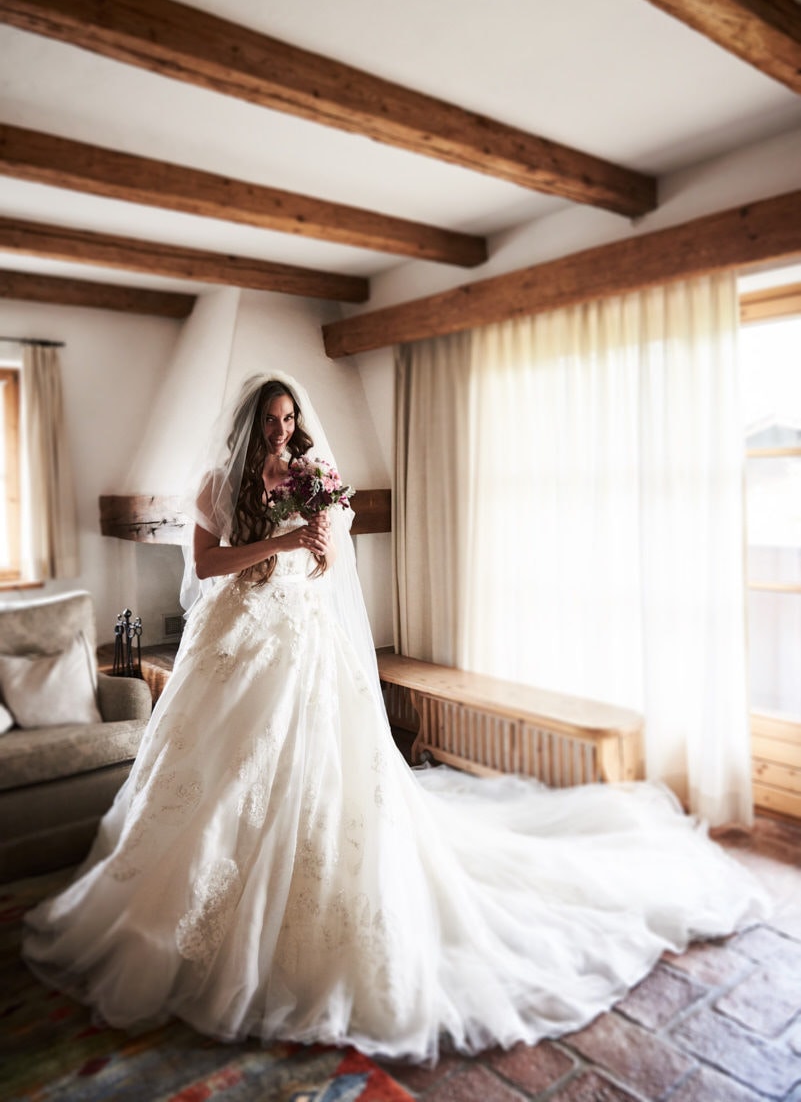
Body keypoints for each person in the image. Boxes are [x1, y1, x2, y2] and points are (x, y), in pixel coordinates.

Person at [24, 371, 769, 1064]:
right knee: (212, 778)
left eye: (289, 419)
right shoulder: (217, 482)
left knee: (318, 772)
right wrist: (282, 539)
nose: (283, 432)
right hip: (233, 640)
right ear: (249, 423)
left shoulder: (313, 476)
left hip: (300, 639)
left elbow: (326, 568)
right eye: (271, 420)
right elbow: (209, 568)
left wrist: (315, 549)